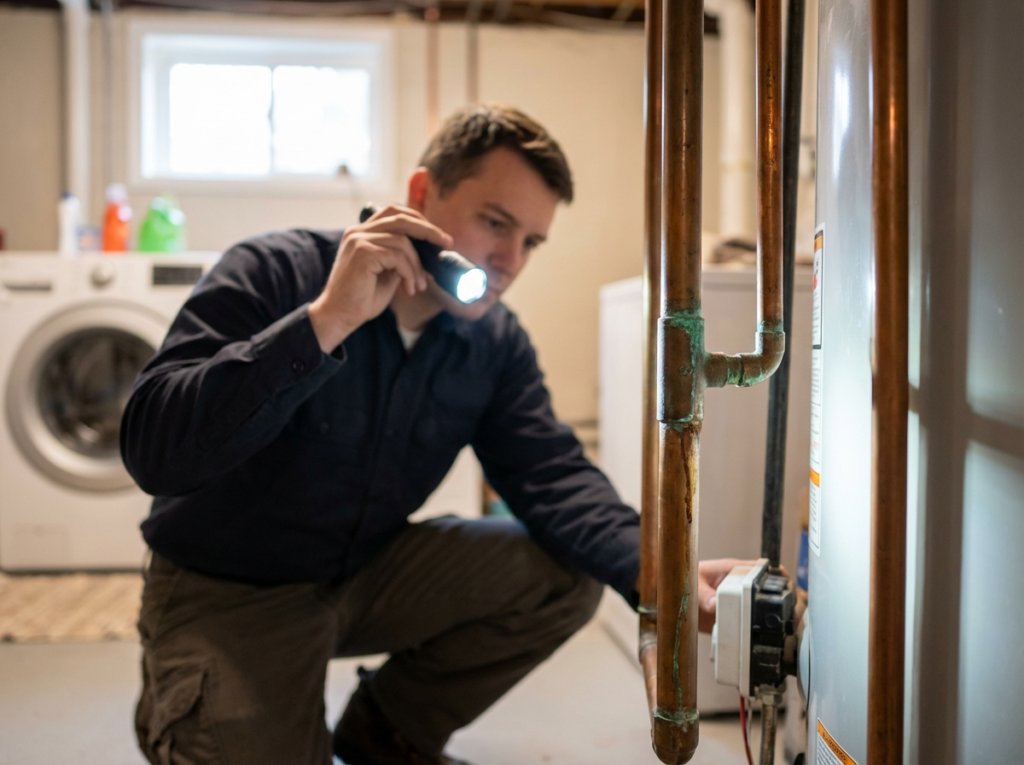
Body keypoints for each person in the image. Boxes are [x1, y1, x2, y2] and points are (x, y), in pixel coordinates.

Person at [122, 103, 740, 765]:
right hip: (231, 588)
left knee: (564, 573)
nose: (508, 260)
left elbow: (552, 476)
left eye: (531, 242)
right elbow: (155, 450)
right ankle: (185, 694)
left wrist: (661, 569)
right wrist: (326, 321)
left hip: (362, 573)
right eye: (495, 223)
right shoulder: (275, 269)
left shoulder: (492, 342)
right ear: (421, 195)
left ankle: (385, 731)